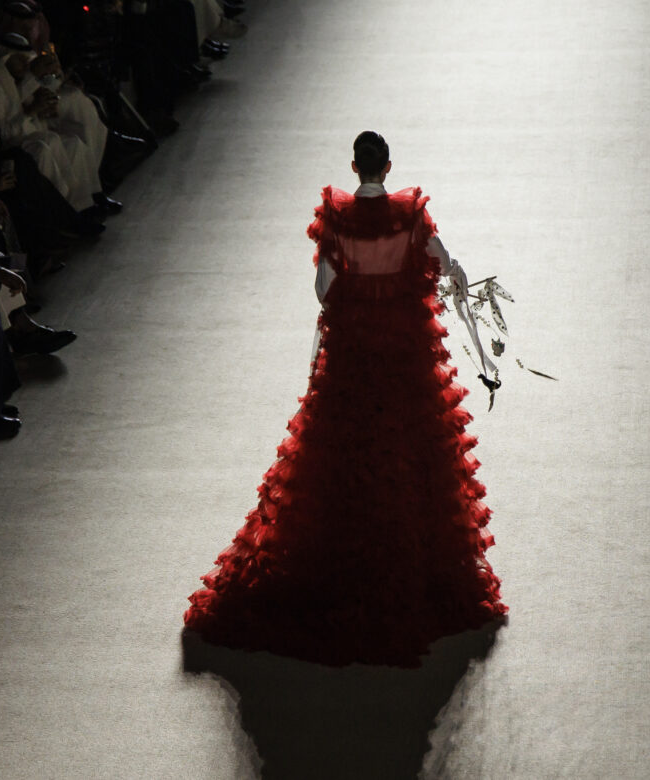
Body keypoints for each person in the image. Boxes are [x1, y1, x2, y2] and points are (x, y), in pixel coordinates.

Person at [184, 132, 507, 667]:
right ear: (388, 166)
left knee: (340, 452)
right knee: (411, 449)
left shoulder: (338, 219)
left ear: (355, 167)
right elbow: (445, 262)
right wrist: (440, 282)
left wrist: (358, 296)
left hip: (354, 352)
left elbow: (323, 288)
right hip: (405, 353)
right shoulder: (410, 216)